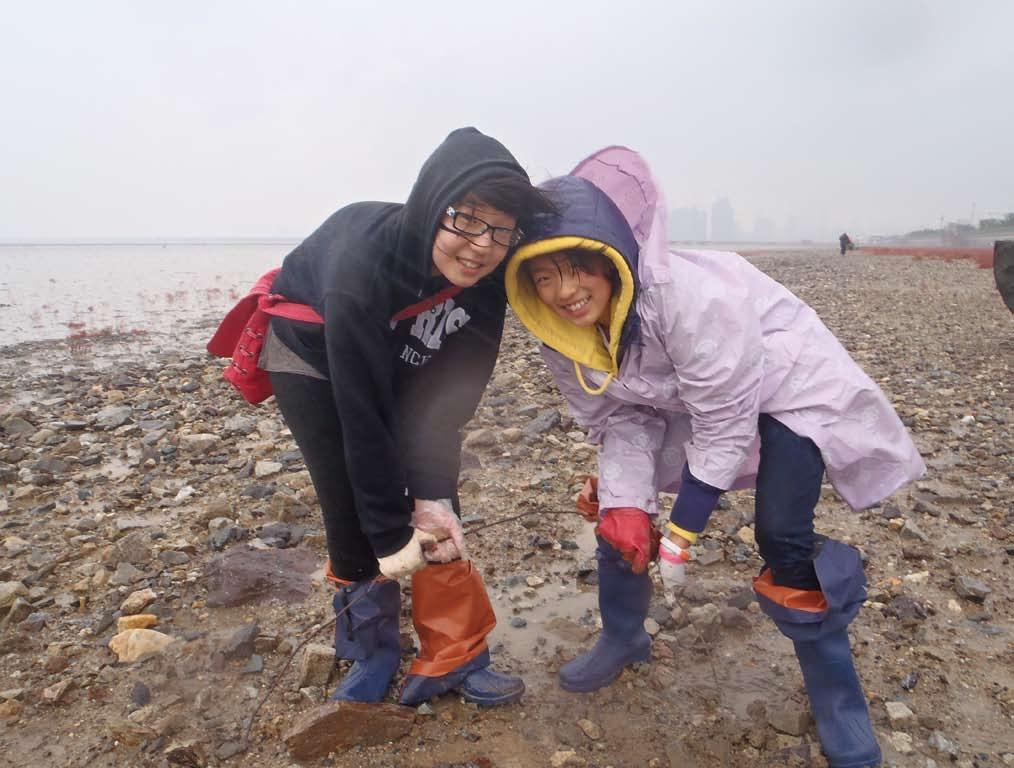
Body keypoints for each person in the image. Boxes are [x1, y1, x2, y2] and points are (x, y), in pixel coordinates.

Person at [503, 146, 925, 767]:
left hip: (786, 386)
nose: (564, 292)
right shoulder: (558, 336)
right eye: (544, 276)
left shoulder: (691, 298)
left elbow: (726, 419)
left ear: (611, 258)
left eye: (577, 269)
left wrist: (684, 532)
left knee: (782, 532)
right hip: (681, 397)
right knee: (620, 512)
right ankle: (623, 637)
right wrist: (627, 507)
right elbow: (617, 418)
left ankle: (838, 696)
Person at [262, 127, 554, 707]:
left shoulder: (487, 280)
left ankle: (457, 651)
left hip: (400, 337)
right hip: (311, 348)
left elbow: (445, 406)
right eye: (466, 220)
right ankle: (371, 648)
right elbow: (362, 416)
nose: (480, 245)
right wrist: (393, 538)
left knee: (437, 504)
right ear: (431, 206)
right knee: (351, 501)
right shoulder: (360, 267)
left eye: (501, 230)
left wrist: (434, 499)